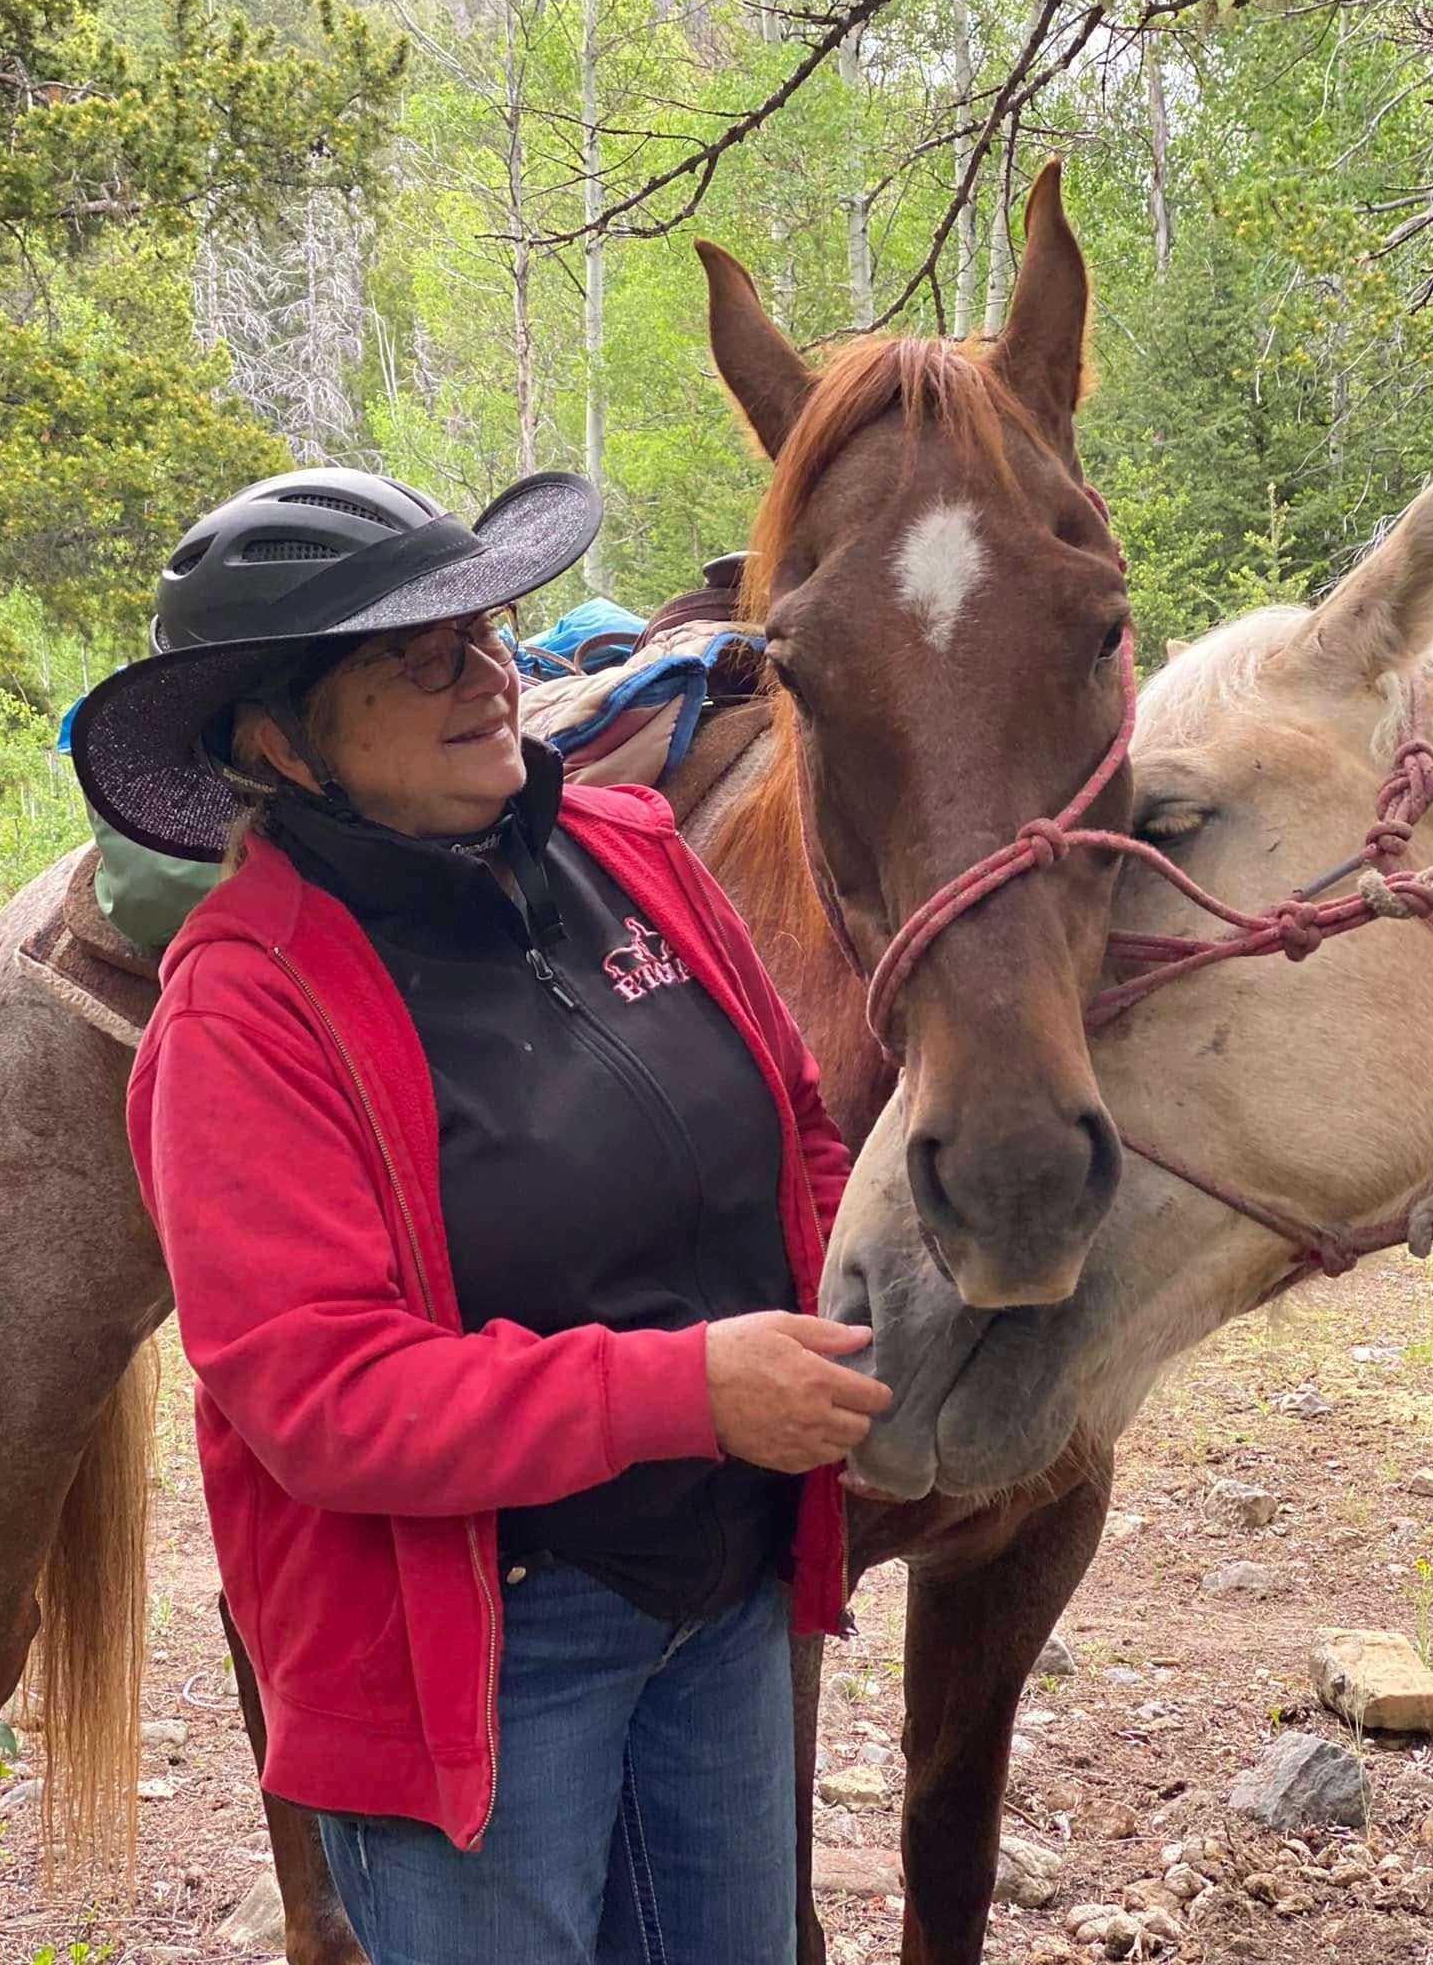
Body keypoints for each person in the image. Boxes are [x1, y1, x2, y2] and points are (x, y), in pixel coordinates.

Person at [71, 465, 890, 1965]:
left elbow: (797, 1126)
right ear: (278, 740)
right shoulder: (248, 1008)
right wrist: (696, 1388)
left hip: (719, 1590)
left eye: (488, 630)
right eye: (413, 654)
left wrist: (865, 1304)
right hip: (490, 1646)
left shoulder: (635, 857)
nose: (488, 675)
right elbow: (322, 1397)